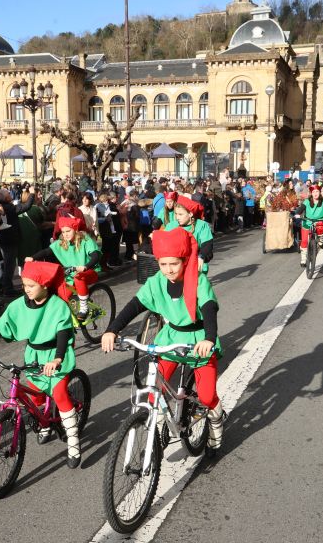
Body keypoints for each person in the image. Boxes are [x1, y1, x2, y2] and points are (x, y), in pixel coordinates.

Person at [101, 227, 226, 458]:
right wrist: (112, 330)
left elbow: (209, 308)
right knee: (153, 390)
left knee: (207, 397)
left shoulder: (197, 280)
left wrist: (209, 338)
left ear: (184, 260)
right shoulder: (156, 282)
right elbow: (135, 305)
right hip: (171, 337)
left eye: (174, 264)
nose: (168, 270)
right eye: (163, 264)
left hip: (198, 339)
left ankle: (216, 421)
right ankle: (157, 432)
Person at [0, 261, 83, 468]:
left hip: (56, 353)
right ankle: (44, 423)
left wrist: (57, 358)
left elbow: (63, 333)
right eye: (24, 285)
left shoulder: (57, 305)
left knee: (59, 394)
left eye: (31, 286)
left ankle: (74, 441)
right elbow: (0, 326)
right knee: (36, 395)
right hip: (34, 355)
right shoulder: (19, 305)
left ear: (45, 285)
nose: (26, 290)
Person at [26, 216, 100, 321]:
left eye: (68, 231)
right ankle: (67, 319)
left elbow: (96, 255)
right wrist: (33, 258)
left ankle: (84, 307)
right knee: (61, 295)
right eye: (63, 232)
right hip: (71, 274)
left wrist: (85, 266)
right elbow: (47, 251)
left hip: (89, 271)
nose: (65, 234)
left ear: (75, 229)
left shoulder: (85, 240)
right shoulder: (62, 242)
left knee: (79, 278)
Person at [165, 195, 213, 274]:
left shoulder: (201, 225)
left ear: (190, 214)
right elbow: (164, 243)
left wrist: (201, 256)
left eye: (180, 214)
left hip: (195, 263)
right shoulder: (171, 226)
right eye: (176, 214)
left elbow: (207, 244)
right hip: (176, 266)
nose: (177, 217)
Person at [293, 185, 323, 267]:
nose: (315, 193)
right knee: (304, 241)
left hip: (319, 220)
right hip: (307, 221)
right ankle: (303, 259)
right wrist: (297, 214)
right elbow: (301, 208)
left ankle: (320, 241)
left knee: (321, 226)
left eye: (317, 191)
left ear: (320, 193)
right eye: (313, 192)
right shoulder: (307, 201)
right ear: (311, 193)